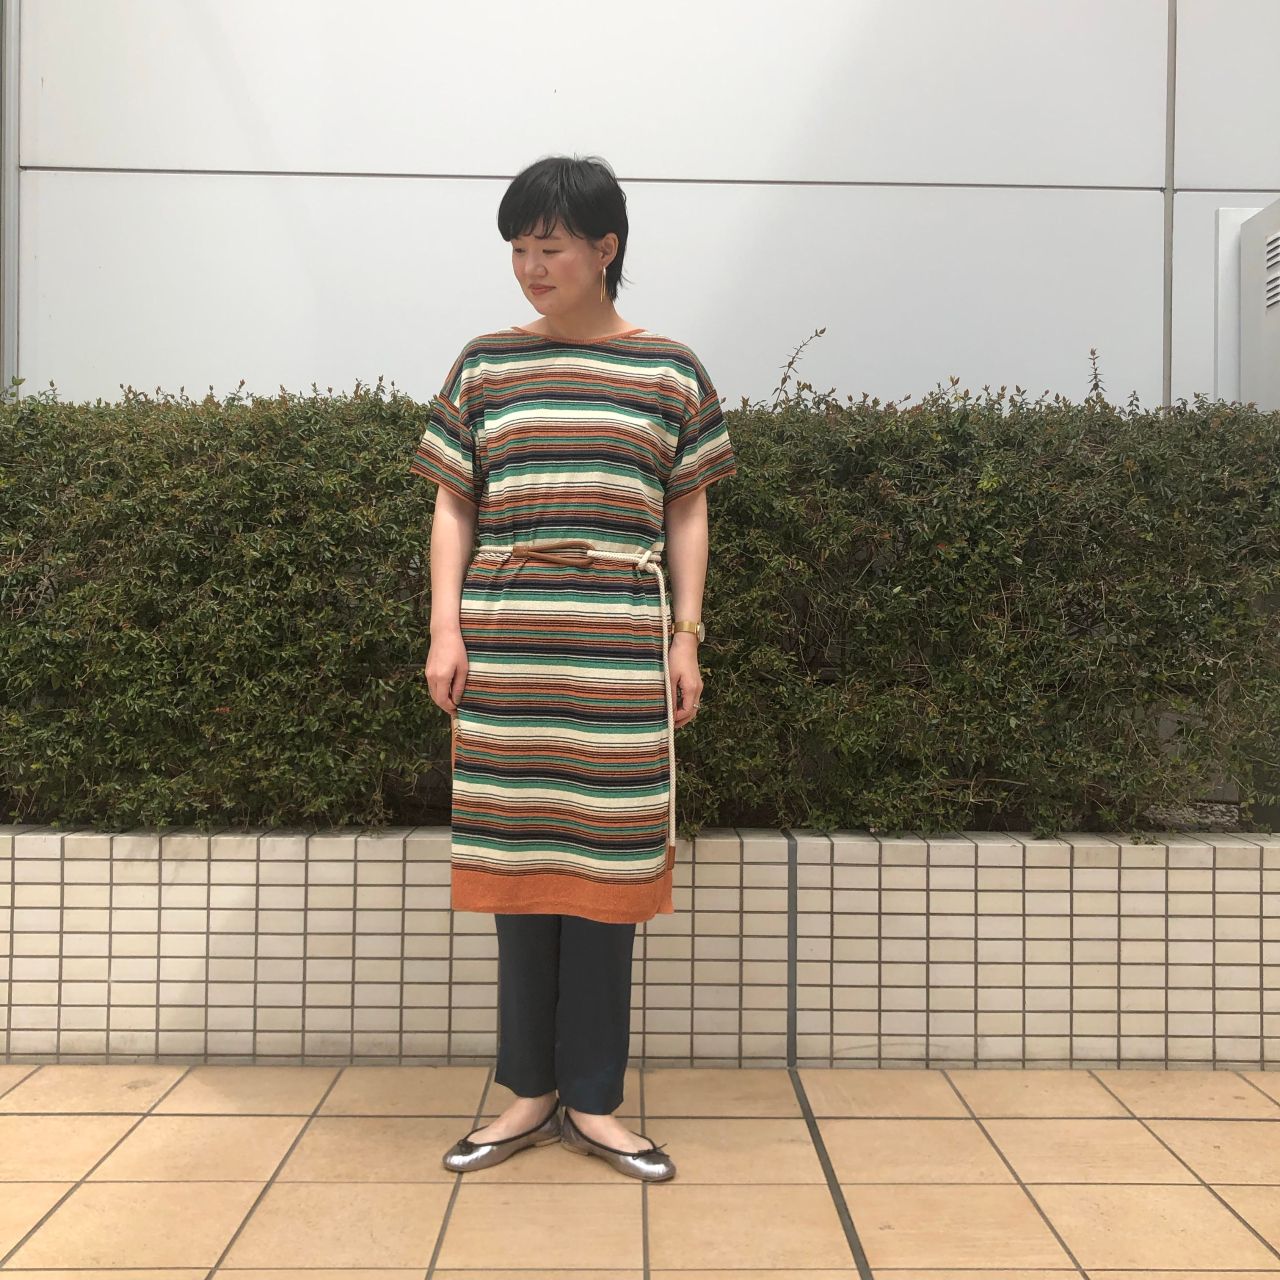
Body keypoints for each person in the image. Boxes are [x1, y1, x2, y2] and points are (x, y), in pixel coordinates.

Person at [412, 154, 737, 1182]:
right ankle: (528, 1092)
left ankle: (593, 1099)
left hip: (616, 651)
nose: (530, 267)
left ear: (605, 249)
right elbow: (452, 502)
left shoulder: (669, 371)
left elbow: (688, 507)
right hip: (508, 650)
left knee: (606, 873)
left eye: (548, 247)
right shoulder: (485, 367)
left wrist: (687, 635)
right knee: (517, 870)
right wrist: (445, 629)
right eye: (518, 248)